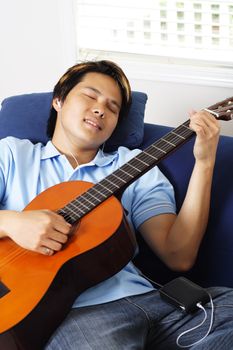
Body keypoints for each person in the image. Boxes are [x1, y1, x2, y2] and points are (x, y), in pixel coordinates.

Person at [0, 60, 233, 350]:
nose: (101, 109)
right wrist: (11, 222)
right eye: (90, 95)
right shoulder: (11, 154)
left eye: (113, 108)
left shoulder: (134, 166)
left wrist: (205, 162)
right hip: (80, 317)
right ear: (58, 101)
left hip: (156, 303)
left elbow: (178, 256)